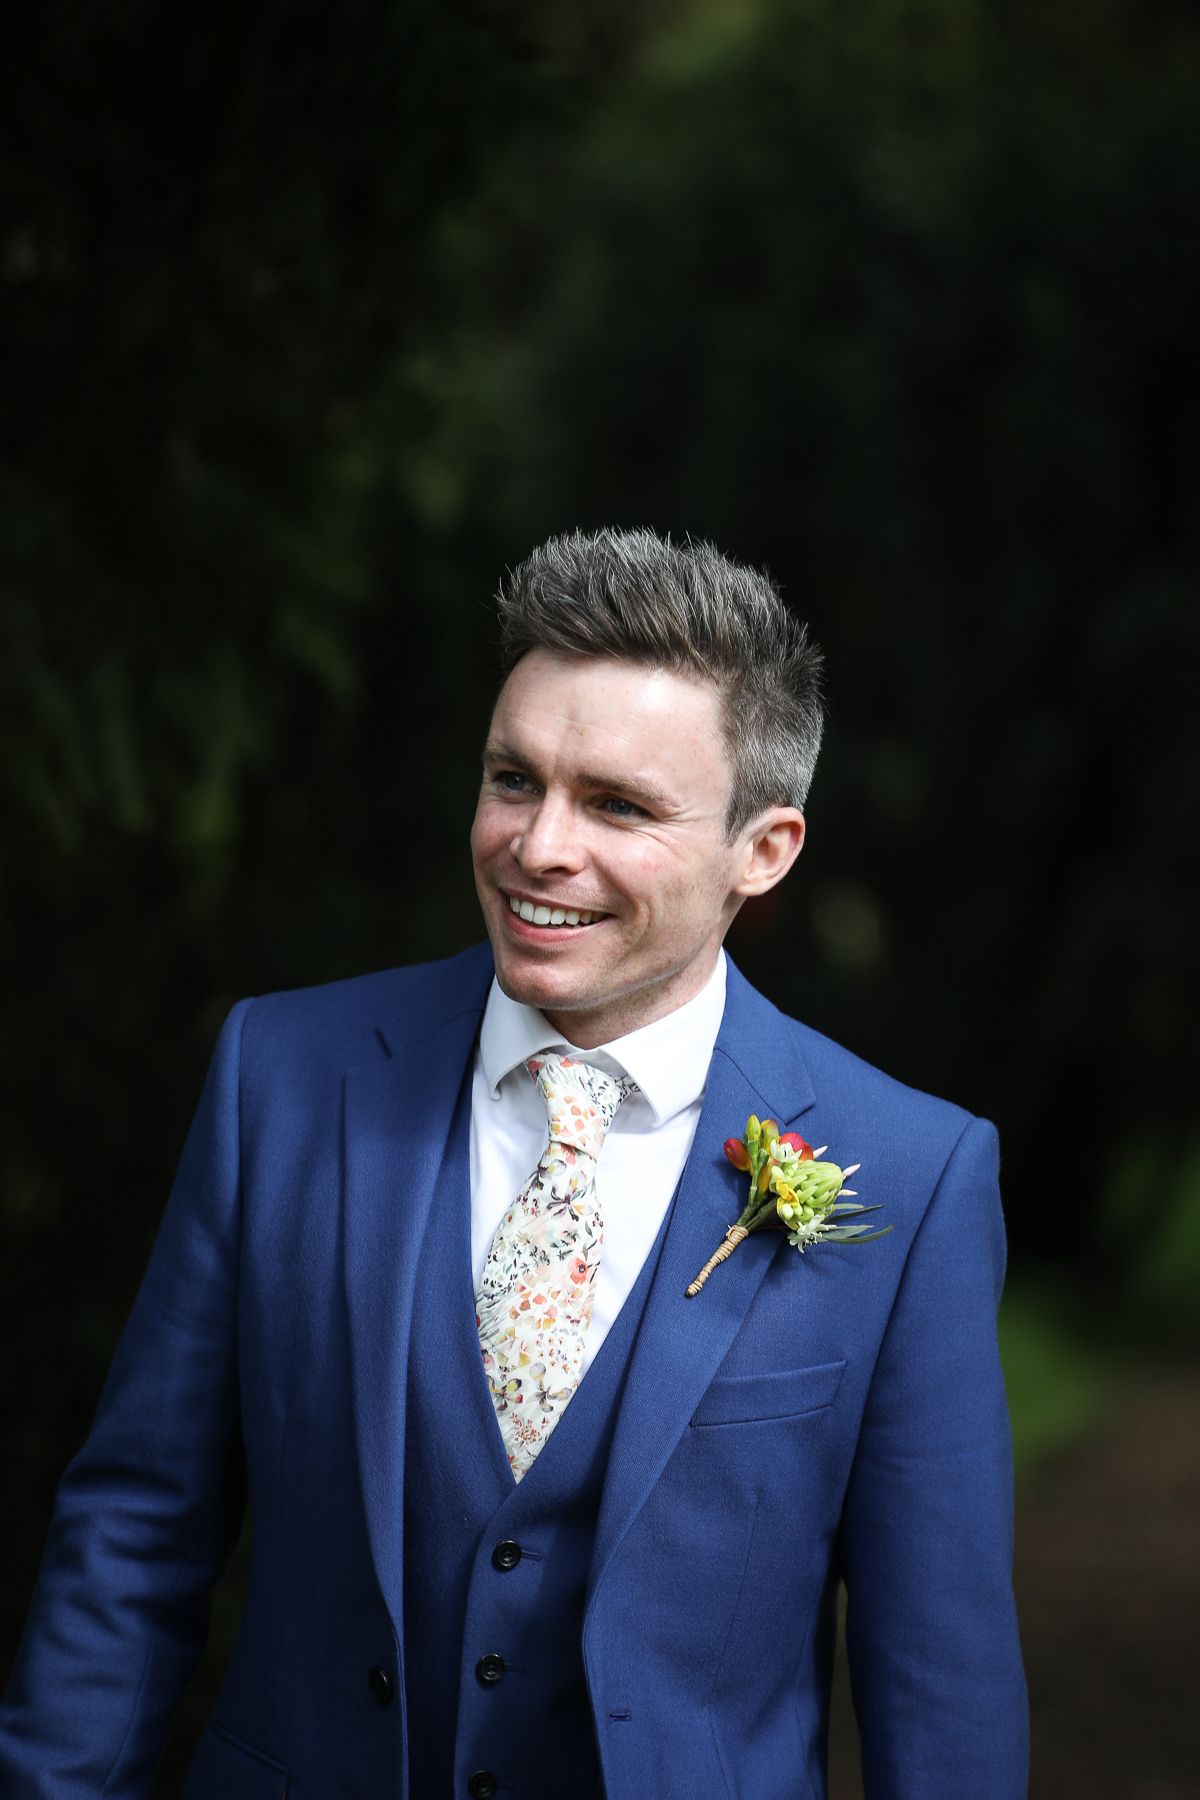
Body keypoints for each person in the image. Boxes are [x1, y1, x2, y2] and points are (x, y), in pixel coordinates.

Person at [0, 528, 1028, 1798]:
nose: (539, 846)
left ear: (763, 851)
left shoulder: (912, 1173)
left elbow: (939, 1678)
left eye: (618, 806)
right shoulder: (283, 1076)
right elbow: (135, 1534)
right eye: (512, 779)